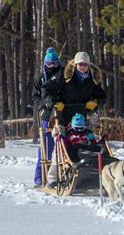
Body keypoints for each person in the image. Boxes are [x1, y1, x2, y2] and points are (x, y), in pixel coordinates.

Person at [42, 51, 106, 188]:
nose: (83, 67)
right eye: (80, 64)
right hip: (63, 118)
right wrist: (54, 102)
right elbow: (46, 89)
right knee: (60, 146)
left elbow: (102, 96)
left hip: (81, 119)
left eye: (86, 65)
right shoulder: (65, 76)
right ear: (75, 64)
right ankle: (53, 178)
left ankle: (92, 174)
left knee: (88, 143)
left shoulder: (92, 79)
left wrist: (95, 102)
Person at [32, 47, 63, 188]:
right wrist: (44, 103)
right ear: (45, 64)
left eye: (55, 64)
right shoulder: (40, 78)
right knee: (45, 145)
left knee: (63, 144)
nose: (52, 67)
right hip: (46, 114)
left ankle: (61, 175)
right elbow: (35, 96)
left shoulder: (64, 76)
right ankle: (39, 177)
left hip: (61, 113)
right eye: (49, 64)